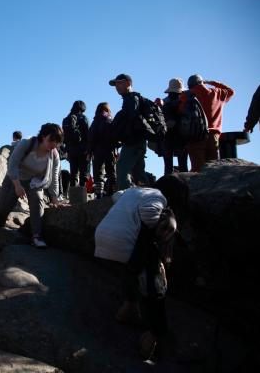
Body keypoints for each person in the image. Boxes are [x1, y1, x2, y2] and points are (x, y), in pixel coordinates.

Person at [94, 174, 189, 359]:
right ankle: (153, 335)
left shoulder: (135, 191)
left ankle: (127, 308)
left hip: (103, 241)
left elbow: (116, 196)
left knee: (130, 270)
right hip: (125, 245)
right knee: (153, 280)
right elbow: (148, 224)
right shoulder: (159, 198)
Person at [0, 123, 63, 248]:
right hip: (15, 177)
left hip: (35, 181)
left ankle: (36, 236)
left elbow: (54, 177)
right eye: (51, 140)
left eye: (57, 142)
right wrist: (17, 185)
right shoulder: (27, 143)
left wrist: (54, 197)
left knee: (37, 201)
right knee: (3, 208)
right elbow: (12, 164)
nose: (54, 144)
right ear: (43, 136)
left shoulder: (54, 155)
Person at [185, 74, 234, 172]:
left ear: (189, 86)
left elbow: (180, 111)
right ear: (202, 82)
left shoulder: (187, 95)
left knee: (197, 170)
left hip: (195, 136)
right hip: (214, 136)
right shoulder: (217, 93)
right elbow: (231, 91)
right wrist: (211, 82)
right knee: (213, 170)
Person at [109, 74, 147, 190]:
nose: (117, 86)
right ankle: (147, 195)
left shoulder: (131, 99)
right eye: (116, 84)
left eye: (119, 83)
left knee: (122, 169)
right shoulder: (131, 99)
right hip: (137, 141)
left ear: (128, 83)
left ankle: (125, 196)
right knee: (139, 172)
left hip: (133, 141)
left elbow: (131, 120)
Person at [87, 102, 117, 199]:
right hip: (110, 150)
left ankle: (99, 195)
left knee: (98, 174)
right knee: (111, 172)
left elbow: (91, 137)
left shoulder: (95, 121)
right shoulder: (110, 119)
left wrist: (90, 152)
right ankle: (112, 193)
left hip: (98, 151)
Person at [159, 78, 188, 174]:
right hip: (182, 136)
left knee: (168, 166)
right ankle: (185, 182)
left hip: (166, 136)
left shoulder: (163, 102)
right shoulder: (185, 102)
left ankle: (168, 182)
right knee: (183, 165)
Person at [63, 100, 90, 187]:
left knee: (73, 173)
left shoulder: (67, 119)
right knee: (83, 174)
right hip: (83, 150)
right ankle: (82, 192)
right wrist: (89, 149)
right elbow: (89, 135)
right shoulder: (83, 118)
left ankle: (73, 193)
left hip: (71, 150)